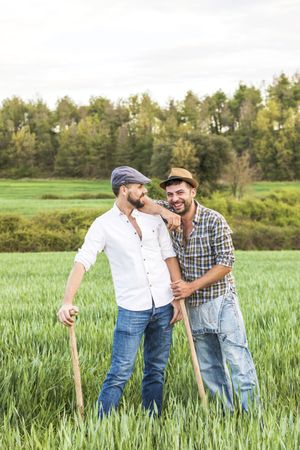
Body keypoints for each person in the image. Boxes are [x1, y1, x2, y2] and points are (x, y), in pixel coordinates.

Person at [57, 166, 183, 418]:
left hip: (163, 304)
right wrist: (67, 301)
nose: (145, 191)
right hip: (132, 308)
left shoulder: (152, 218)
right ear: (124, 190)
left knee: (156, 369)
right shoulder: (103, 225)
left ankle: (153, 421)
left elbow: (168, 256)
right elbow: (83, 260)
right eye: (140, 187)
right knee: (120, 371)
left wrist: (178, 298)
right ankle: (99, 425)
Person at [142, 167, 260, 412]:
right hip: (193, 307)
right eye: (171, 194)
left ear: (193, 191)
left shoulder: (213, 219)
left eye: (181, 192)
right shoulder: (167, 212)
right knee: (209, 367)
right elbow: (140, 201)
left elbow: (226, 262)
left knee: (238, 361)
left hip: (220, 301)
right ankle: (226, 416)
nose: (175, 198)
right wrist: (164, 211)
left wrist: (189, 287)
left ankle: (252, 418)